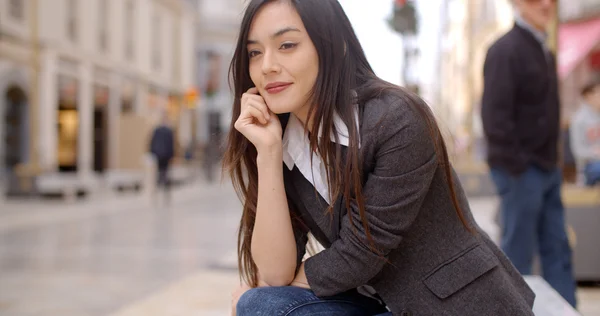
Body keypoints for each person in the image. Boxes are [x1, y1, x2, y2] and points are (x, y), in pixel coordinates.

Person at [223, 0, 535, 315]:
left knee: (263, 305)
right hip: (378, 303)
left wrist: (265, 297)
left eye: (287, 45)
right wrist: (268, 155)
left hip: (459, 305)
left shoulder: (397, 118)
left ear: (334, 46)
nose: (267, 66)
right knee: (261, 303)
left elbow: (360, 253)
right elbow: (275, 273)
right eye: (255, 52)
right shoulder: (285, 141)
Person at [481, 0, 577, 307]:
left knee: (558, 249)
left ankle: (565, 310)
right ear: (516, 3)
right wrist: (517, 168)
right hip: (521, 170)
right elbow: (494, 118)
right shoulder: (504, 50)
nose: (546, 4)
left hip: (547, 168)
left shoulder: (545, 51)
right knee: (517, 255)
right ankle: (513, 312)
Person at [570, 78, 600, 186]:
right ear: (588, 95)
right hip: (588, 168)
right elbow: (578, 151)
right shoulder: (579, 119)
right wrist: (596, 153)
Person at [149, 114, 175, 204]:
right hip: (166, 155)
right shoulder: (168, 131)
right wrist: (172, 155)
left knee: (160, 171)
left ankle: (159, 186)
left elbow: (152, 142)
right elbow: (171, 144)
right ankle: (164, 187)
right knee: (165, 171)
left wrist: (152, 152)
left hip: (158, 154)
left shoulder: (157, 130)